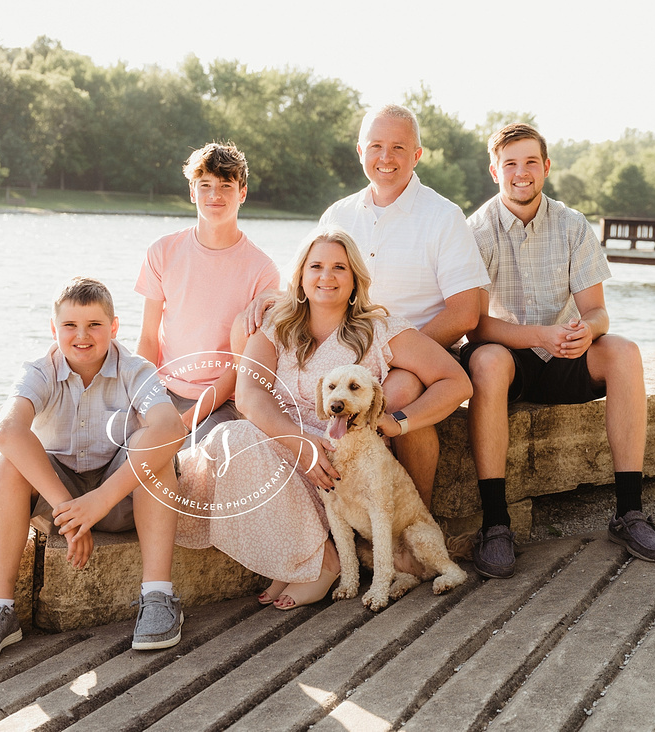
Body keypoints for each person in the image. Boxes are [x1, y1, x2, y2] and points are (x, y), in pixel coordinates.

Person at [174, 227, 471, 609]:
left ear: (355, 280)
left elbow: (457, 382)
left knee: (237, 439)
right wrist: (297, 443)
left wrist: (398, 422)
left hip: (341, 470)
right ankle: (301, 558)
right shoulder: (276, 328)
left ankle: (323, 563)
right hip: (288, 450)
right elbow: (248, 394)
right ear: (299, 277)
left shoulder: (379, 331)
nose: (326, 277)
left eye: (339, 268)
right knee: (232, 437)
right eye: (316, 266)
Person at [462, 123, 655, 578]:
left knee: (624, 351)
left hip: (563, 354)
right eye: (510, 163)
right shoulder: (475, 231)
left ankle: (629, 513)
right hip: (508, 355)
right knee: (488, 359)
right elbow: (476, 326)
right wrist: (539, 335)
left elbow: (598, 312)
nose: (521, 173)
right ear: (494, 169)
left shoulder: (573, 225)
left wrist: (585, 330)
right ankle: (496, 524)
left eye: (530, 162)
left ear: (546, 168)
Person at [255, 104, 488, 507]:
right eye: (376, 146)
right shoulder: (339, 214)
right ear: (360, 151)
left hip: (416, 352)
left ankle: (415, 519)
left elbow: (465, 313)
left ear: (416, 154)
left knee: (398, 395)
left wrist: (391, 355)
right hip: (347, 345)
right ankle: (336, 516)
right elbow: (315, 278)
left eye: (399, 147)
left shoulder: (444, 217)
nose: (386, 157)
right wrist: (266, 300)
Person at [0, 277, 186, 660]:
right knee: (8, 462)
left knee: (154, 445)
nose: (82, 336)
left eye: (94, 325)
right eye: (70, 326)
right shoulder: (40, 371)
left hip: (120, 498)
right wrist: (70, 512)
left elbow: (172, 427)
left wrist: (99, 502)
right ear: (54, 329)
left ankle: (158, 596)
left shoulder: (135, 369)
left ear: (113, 328)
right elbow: (7, 431)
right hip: (59, 499)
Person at [136, 142, 280, 444]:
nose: (215, 195)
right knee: (123, 451)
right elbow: (149, 338)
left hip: (221, 400)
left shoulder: (263, 270)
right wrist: (141, 402)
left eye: (225, 186)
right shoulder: (162, 251)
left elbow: (243, 364)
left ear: (242, 193)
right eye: (205, 186)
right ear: (192, 192)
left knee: (192, 461)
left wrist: (187, 421)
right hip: (162, 391)